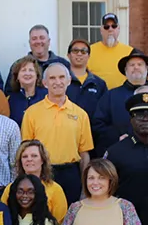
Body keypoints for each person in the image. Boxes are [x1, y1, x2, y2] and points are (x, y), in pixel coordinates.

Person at [22, 63, 94, 199]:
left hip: (71, 174)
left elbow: (84, 153)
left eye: (61, 77)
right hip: (41, 173)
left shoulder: (81, 114)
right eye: (52, 78)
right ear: (44, 83)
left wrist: (85, 186)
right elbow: (26, 151)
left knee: (71, 217)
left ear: (69, 81)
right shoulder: (32, 113)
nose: (57, 82)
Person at [92, 49, 148, 150]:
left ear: (147, 68)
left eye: (140, 64)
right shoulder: (111, 96)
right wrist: (116, 138)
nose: (136, 67)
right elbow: (98, 125)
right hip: (123, 152)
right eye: (132, 65)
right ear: (125, 69)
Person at [3, 140, 69, 221]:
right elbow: (3, 217)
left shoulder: (56, 190)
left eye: (34, 156)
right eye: (25, 156)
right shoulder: (10, 189)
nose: (29, 159)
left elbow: (60, 221)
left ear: (42, 160)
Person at [65, 38, 109, 121]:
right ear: (68, 55)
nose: (79, 54)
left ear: (88, 56)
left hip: (92, 131)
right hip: (65, 129)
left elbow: (104, 111)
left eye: (83, 51)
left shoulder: (99, 84)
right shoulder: (60, 81)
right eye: (75, 50)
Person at [87, 13, 133, 89]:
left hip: (120, 97)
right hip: (97, 97)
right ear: (101, 30)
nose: (110, 29)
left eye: (114, 26)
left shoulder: (130, 52)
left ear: (118, 29)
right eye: (106, 27)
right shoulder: (90, 51)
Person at [5, 55, 46, 127]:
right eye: (23, 70)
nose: (27, 73)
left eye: (31, 70)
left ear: (37, 76)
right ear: (17, 76)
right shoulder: (10, 100)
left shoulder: (47, 97)